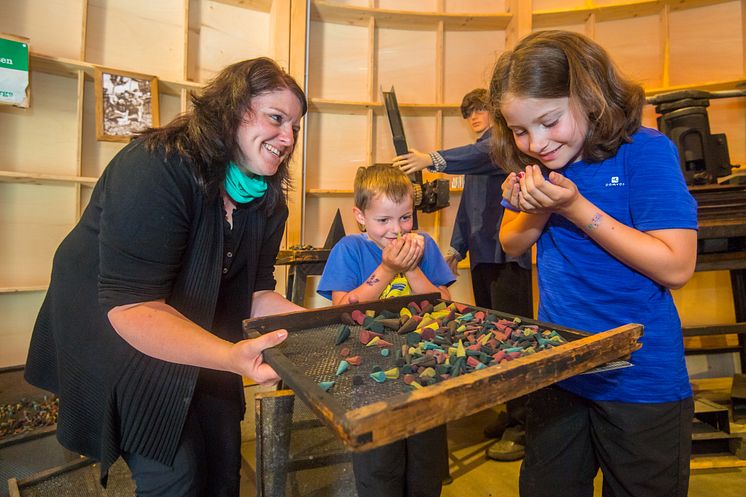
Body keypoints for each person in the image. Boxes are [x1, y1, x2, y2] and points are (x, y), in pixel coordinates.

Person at [24, 57, 307, 497]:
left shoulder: (268, 202)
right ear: (232, 109)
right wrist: (233, 357)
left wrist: (319, 323)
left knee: (222, 454)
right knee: (176, 468)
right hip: (114, 323)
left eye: (295, 127)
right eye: (276, 118)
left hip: (185, 317)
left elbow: (255, 292)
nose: (287, 138)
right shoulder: (158, 166)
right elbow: (133, 307)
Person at [492, 30, 697, 496]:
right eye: (520, 131)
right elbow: (512, 243)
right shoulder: (542, 165)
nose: (536, 143)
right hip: (561, 369)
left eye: (549, 121)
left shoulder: (645, 151)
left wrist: (574, 207)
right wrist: (535, 201)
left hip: (640, 377)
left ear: (589, 97)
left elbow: (676, 266)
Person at [392, 88, 531, 462]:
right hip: (485, 256)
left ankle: (524, 423)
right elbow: (468, 211)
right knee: (496, 336)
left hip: (509, 256)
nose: (474, 117)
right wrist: (456, 249)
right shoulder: (478, 160)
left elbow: (479, 154)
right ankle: (510, 411)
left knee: (515, 336)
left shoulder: (500, 147)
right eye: (468, 112)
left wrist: (430, 159)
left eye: (480, 109)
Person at [316, 164, 455, 497]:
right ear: (360, 216)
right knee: (379, 470)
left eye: (405, 218)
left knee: (426, 467)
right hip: (370, 375)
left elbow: (444, 302)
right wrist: (388, 268)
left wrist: (411, 269)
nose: (396, 230)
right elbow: (345, 311)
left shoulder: (424, 246)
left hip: (425, 370)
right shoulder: (349, 250)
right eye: (384, 220)